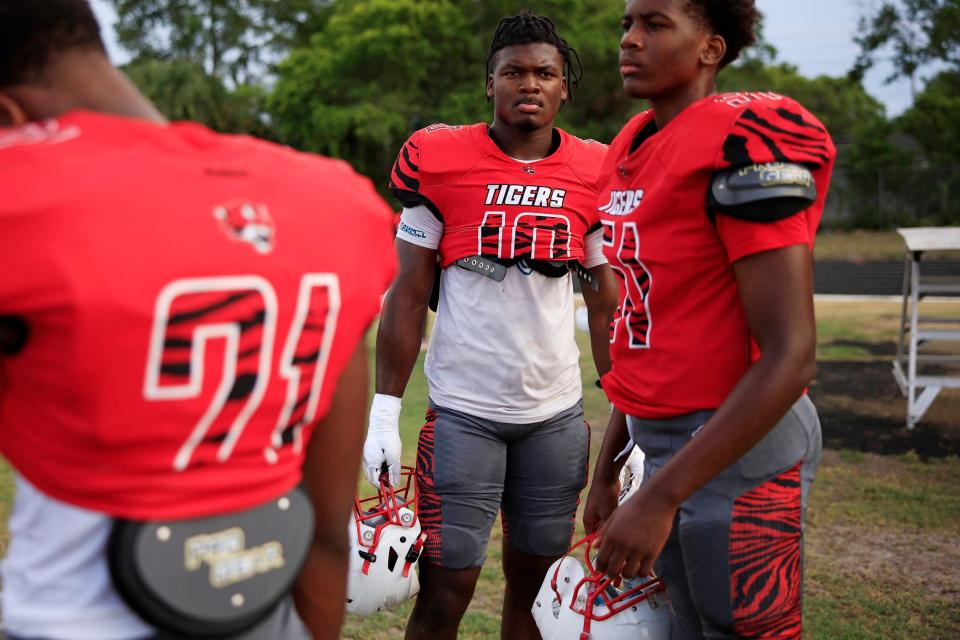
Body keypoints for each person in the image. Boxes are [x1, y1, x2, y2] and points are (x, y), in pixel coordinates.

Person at [0, 2, 396, 639]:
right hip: (266, 611)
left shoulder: (24, 196)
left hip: (74, 617)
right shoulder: (333, 200)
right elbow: (325, 531)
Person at [362, 10, 619, 640]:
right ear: (490, 84)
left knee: (538, 596)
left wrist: (627, 412)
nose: (528, 83)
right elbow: (407, 292)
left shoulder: (597, 168)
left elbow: (607, 298)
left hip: (555, 416)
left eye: (544, 73)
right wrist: (382, 412)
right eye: (513, 71)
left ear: (565, 87)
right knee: (445, 590)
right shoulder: (438, 156)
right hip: (461, 411)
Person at [584, 1, 836, 639]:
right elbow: (647, 327)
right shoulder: (631, 141)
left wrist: (662, 495)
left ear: (711, 49)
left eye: (655, 24)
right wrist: (611, 467)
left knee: (740, 630)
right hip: (658, 438)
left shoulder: (753, 135)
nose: (630, 41)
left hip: (738, 437)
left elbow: (792, 354)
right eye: (626, 25)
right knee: (685, 628)